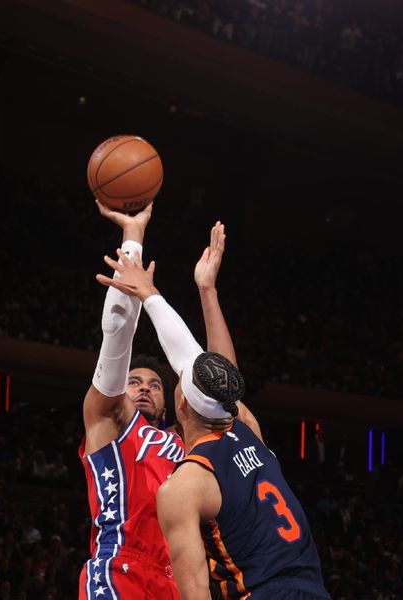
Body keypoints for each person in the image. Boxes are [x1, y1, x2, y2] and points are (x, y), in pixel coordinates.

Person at [97, 228, 331, 600]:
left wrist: (151, 296)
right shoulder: (246, 429)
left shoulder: (184, 487)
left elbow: (195, 594)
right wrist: (206, 290)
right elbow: (224, 377)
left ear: (183, 404)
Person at [78, 200, 183, 599]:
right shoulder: (109, 422)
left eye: (155, 385)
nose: (144, 388)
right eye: (134, 381)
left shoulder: (188, 443)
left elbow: (221, 383)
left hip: (181, 580)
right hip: (121, 567)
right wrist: (133, 237)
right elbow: (117, 334)